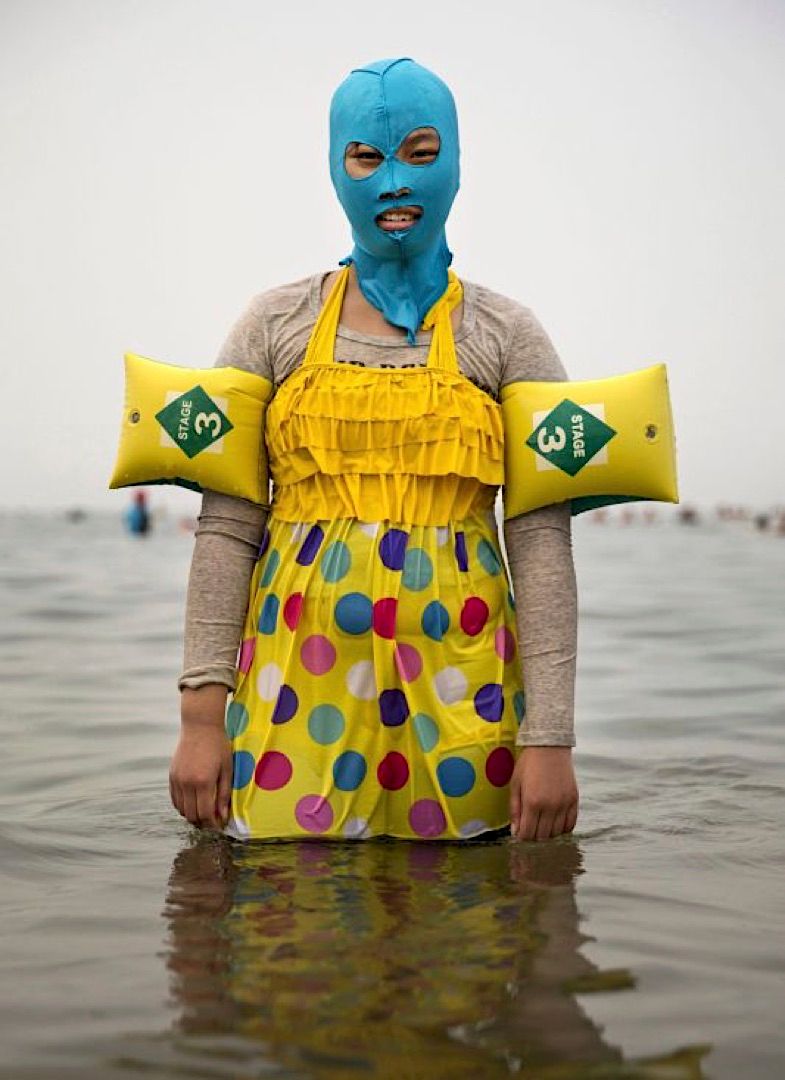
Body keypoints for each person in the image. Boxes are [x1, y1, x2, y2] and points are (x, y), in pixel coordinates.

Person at [169, 57, 579, 842]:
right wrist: (199, 718)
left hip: (469, 689)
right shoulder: (274, 324)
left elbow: (540, 545)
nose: (394, 181)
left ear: (455, 163)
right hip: (297, 684)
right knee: (287, 925)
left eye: (422, 154)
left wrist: (549, 736)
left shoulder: (507, 333)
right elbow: (225, 528)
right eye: (368, 157)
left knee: (471, 927)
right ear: (336, 168)